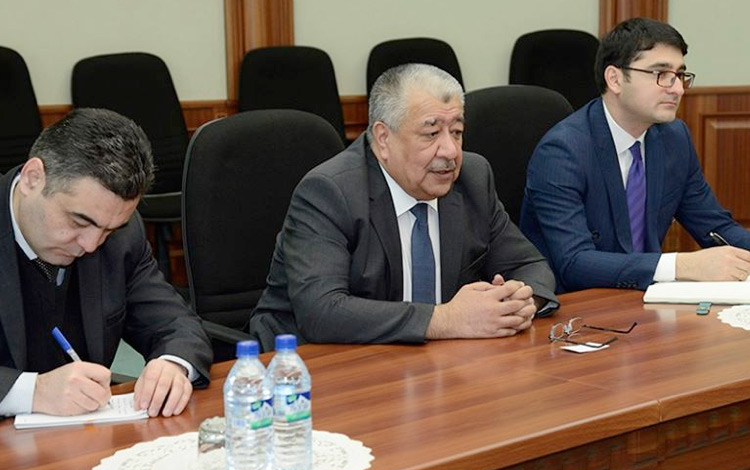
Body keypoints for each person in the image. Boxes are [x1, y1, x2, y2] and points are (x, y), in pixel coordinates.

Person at [249, 63, 558, 350]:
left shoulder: (473, 178)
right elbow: (322, 312)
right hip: (315, 365)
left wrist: (517, 302)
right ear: (383, 139)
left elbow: (531, 266)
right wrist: (446, 319)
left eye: (457, 132)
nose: (450, 151)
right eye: (431, 133)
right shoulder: (330, 192)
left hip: (434, 361)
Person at [0, 108, 212, 417]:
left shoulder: (120, 234)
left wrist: (172, 365)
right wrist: (34, 392)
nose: (90, 245)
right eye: (79, 221)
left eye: (109, 230)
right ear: (34, 178)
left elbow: (176, 324)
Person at [520, 18, 750, 293]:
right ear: (615, 79)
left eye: (679, 75)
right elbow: (574, 263)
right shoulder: (562, 152)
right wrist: (681, 266)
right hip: (577, 305)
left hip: (646, 299)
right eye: (661, 74)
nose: (677, 88)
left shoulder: (674, 138)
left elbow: (715, 226)